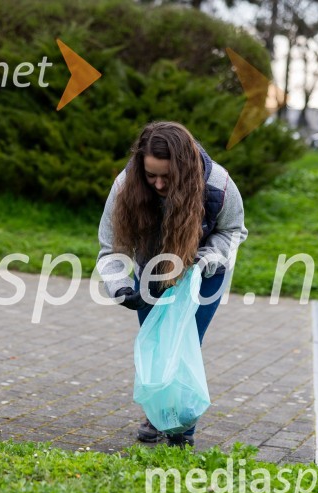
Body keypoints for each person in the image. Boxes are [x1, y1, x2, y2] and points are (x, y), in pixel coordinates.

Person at [97, 121, 248, 447]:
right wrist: (120, 287)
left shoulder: (218, 185)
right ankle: (156, 415)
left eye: (168, 176)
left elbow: (234, 231)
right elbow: (111, 249)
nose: (159, 184)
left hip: (204, 273)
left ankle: (182, 426)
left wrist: (205, 260)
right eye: (151, 176)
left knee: (184, 344)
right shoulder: (126, 185)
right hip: (151, 271)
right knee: (156, 345)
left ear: (186, 168)